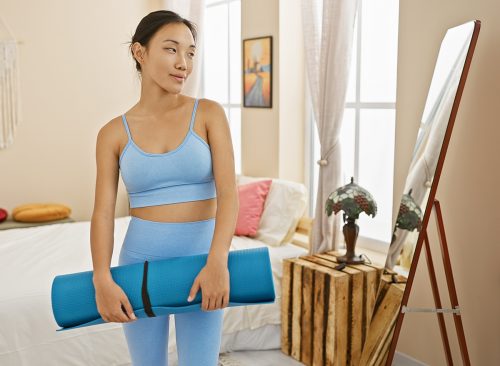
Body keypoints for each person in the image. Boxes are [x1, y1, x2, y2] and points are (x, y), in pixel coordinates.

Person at [89, 10, 239, 366]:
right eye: (171, 50)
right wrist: (102, 277)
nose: (183, 63)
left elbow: (229, 194)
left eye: (190, 52)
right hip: (138, 265)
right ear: (140, 53)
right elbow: (103, 213)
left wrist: (218, 260)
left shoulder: (208, 114)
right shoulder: (112, 133)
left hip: (204, 264)